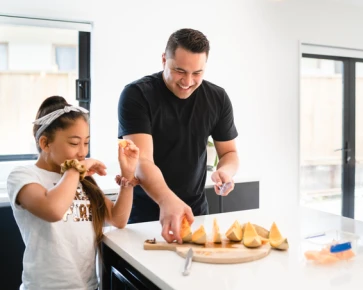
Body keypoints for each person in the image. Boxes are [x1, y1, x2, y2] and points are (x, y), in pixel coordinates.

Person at [118, 28, 239, 243]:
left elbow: (229, 152)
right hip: (145, 216)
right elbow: (141, 159)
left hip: (196, 213)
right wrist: (166, 200)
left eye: (197, 73)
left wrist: (226, 171)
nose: (188, 81)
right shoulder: (137, 95)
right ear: (164, 59)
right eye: (180, 71)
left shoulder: (217, 98)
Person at [7, 96, 139, 290]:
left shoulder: (79, 178)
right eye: (74, 143)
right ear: (45, 143)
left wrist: (127, 174)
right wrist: (76, 170)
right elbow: (53, 210)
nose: (82, 152)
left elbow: (117, 219)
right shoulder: (23, 176)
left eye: (86, 143)